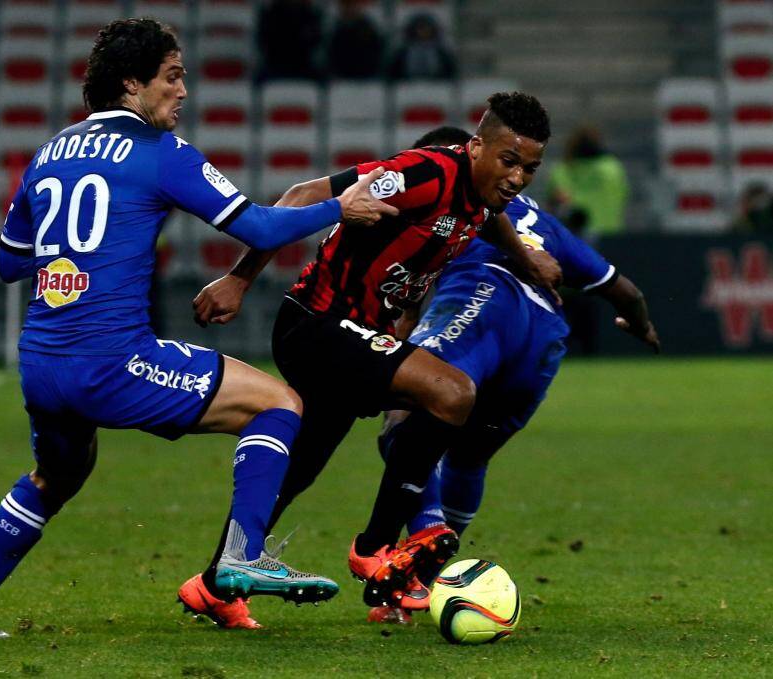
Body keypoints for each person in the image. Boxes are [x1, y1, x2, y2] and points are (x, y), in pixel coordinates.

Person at [0, 18, 397, 641]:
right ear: (132, 84)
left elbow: (9, 262)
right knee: (279, 404)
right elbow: (257, 227)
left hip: (42, 363)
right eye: (172, 77)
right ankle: (240, 557)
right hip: (111, 361)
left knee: (57, 476)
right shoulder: (159, 153)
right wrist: (340, 206)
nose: (183, 92)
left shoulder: (48, 153)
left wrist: (70, 259)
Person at [188, 94, 560, 624]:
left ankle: (214, 588)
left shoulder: (484, 197)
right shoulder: (425, 173)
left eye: (530, 167)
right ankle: (377, 548)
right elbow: (300, 196)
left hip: (354, 336)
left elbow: (492, 219)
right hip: (315, 327)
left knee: (299, 469)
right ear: (476, 147)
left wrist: (527, 260)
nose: (519, 177)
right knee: (452, 392)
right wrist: (240, 278)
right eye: (509, 160)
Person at [369, 125, 660, 624]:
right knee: (467, 456)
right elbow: (625, 292)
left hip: (483, 303)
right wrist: (642, 327)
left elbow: (414, 280)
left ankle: (419, 572)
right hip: (544, 338)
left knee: (404, 417)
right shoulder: (543, 221)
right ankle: (446, 569)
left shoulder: (440, 196)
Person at [547, 125, 629, 240]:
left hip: (577, 238)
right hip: (612, 233)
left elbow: (558, 200)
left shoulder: (563, 170)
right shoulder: (613, 167)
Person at [256, 0, 325, 82]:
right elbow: (263, 42)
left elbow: (316, 42)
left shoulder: (311, 15)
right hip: (275, 66)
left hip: (304, 66)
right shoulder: (269, 14)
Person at [387, 13, 456, 81]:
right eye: (420, 28)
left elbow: (450, 72)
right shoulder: (402, 52)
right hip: (406, 88)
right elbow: (393, 72)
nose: (424, 32)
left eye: (427, 28)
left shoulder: (441, 52)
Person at [326, 0, 384, 80]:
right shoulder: (336, 29)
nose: (349, 9)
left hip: (366, 79)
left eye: (351, 6)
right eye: (345, 6)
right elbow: (331, 55)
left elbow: (374, 55)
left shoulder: (367, 29)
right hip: (340, 79)